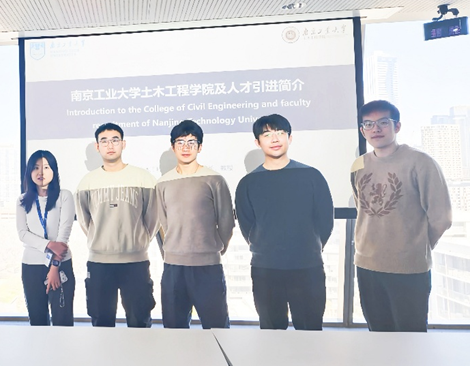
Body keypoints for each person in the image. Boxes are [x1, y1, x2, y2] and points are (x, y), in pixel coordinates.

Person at [351, 100, 452, 332]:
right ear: (362, 130)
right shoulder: (358, 165)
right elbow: (362, 209)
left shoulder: (421, 162)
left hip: (408, 268)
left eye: (383, 122)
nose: (376, 129)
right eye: (369, 124)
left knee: (410, 337)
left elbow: (442, 217)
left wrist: (415, 246)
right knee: (378, 333)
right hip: (367, 264)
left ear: (397, 126)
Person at [235, 114, 334, 330]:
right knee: (271, 331)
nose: (275, 139)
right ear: (257, 142)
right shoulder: (248, 183)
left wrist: (310, 247)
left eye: (280, 133)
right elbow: (247, 225)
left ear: (290, 138)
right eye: (267, 134)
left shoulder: (312, 176)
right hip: (265, 269)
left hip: (307, 267)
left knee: (310, 330)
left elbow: (325, 220)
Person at [76, 123, 158, 328]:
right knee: (101, 323)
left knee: (140, 322)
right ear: (97, 147)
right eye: (104, 141)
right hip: (99, 263)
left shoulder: (143, 178)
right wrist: (101, 240)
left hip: (136, 262)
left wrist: (138, 240)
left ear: (123, 144)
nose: (110, 145)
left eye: (115, 140)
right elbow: (86, 222)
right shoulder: (87, 182)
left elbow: (153, 217)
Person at [156, 120, 234, 329]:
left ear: (200, 147)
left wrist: (215, 247)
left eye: (192, 142)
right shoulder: (163, 183)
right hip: (173, 267)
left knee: (217, 328)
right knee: (174, 329)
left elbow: (226, 221)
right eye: (180, 142)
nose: (186, 147)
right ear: (173, 147)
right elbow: (163, 222)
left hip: (207, 266)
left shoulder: (214, 179)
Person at [17, 150, 75, 326]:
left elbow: (64, 235)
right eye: (36, 168)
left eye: (46, 167)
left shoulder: (64, 196)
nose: (40, 172)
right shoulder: (22, 200)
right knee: (37, 320)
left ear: (54, 170)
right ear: (29, 172)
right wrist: (49, 244)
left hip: (60, 264)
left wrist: (55, 266)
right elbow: (23, 233)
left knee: (62, 320)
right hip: (31, 266)